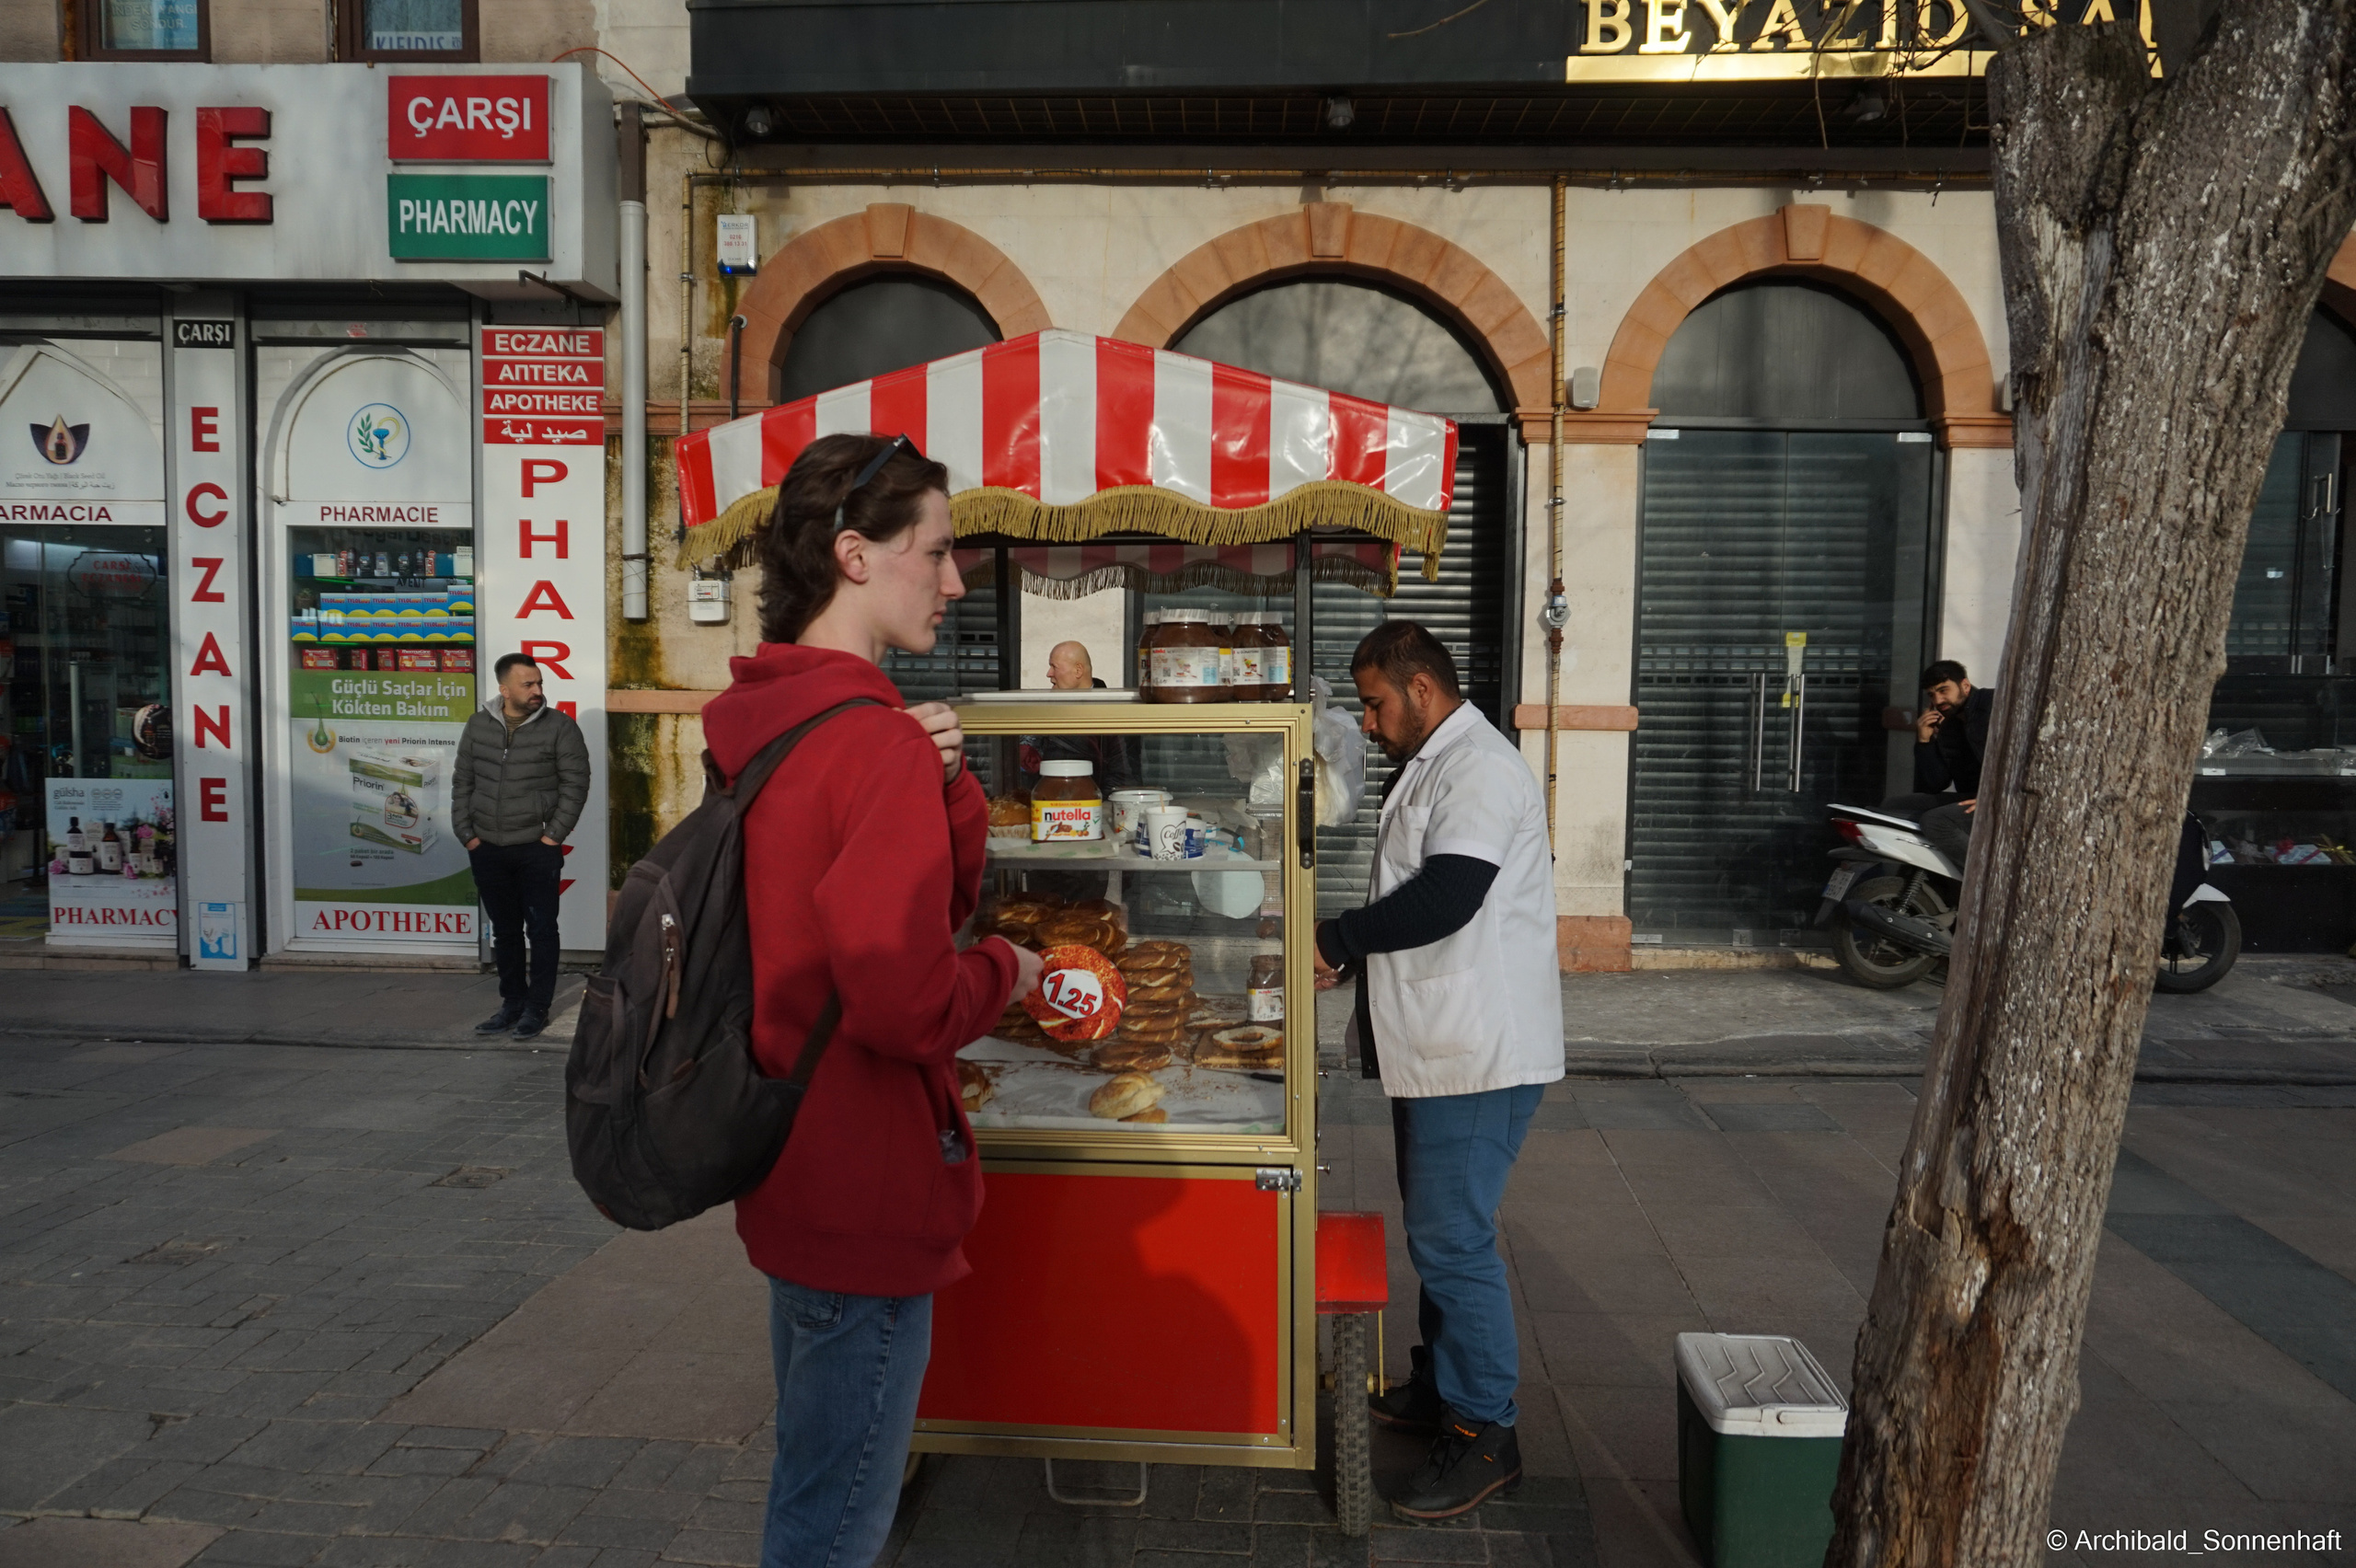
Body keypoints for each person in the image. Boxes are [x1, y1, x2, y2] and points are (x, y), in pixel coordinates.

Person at [699, 432, 1043, 1568]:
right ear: (854, 554)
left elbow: (827, 908)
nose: (953, 582)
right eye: (936, 552)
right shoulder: (872, 742)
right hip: (869, 1188)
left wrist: (938, 785)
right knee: (835, 1529)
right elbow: (906, 1001)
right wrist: (1008, 974)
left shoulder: (764, 722)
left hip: (787, 1162)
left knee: (810, 1492)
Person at [1311, 621, 1564, 1522]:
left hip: (1478, 1051)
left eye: (1375, 704)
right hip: (1435, 1044)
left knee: (1453, 1240)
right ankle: (1438, 1389)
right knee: (1436, 1233)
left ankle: (1485, 1433)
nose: (1369, 725)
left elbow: (1451, 891)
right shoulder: (1429, 763)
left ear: (1421, 689)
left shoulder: (1479, 767)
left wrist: (1339, 937)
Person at [454, 652, 590, 1040]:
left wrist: (552, 835)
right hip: (487, 847)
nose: (537, 690)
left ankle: (537, 1009)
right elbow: (462, 781)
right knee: (506, 931)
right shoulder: (479, 725)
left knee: (543, 930)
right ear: (504, 689)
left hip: (535, 847)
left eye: (540, 683)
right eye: (528, 684)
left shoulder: (560, 727)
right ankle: (511, 1003)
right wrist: (468, 833)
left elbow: (575, 785)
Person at [1879, 659, 1995, 870]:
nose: (1938, 699)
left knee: (1936, 821)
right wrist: (1924, 742)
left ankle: (1989, 877)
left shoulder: (1994, 704)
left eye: (1944, 690)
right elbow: (1936, 784)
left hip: (2002, 798)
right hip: (1972, 797)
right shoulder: (1949, 724)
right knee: (1892, 807)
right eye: (1932, 694)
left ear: (1965, 686)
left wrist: (1995, 794)